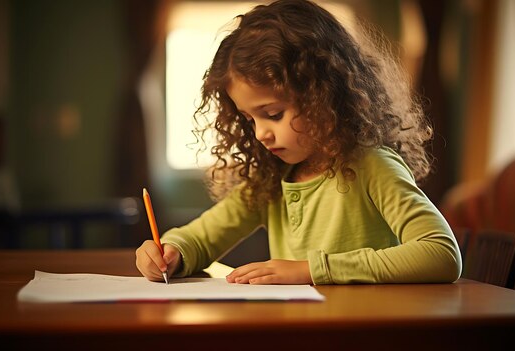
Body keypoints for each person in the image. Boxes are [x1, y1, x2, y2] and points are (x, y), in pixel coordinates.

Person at [136, 0, 462, 285]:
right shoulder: (272, 177)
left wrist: (312, 270)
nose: (260, 133)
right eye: (250, 120)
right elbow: (204, 236)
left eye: (273, 114)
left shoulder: (372, 166)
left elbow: (440, 252)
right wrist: (172, 251)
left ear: (323, 95)